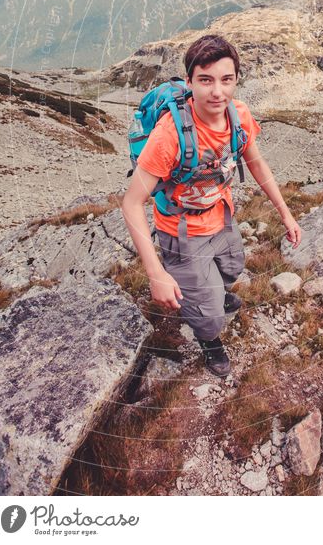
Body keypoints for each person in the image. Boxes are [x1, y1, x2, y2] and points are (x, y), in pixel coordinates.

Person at [122, 34, 301, 377]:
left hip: (222, 216)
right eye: (205, 80)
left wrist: (285, 213)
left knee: (233, 267)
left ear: (235, 80)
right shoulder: (169, 135)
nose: (217, 91)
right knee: (211, 317)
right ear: (189, 81)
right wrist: (155, 273)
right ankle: (209, 339)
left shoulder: (239, 116)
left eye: (226, 80)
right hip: (182, 233)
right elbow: (131, 203)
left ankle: (211, 292)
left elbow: (258, 164)